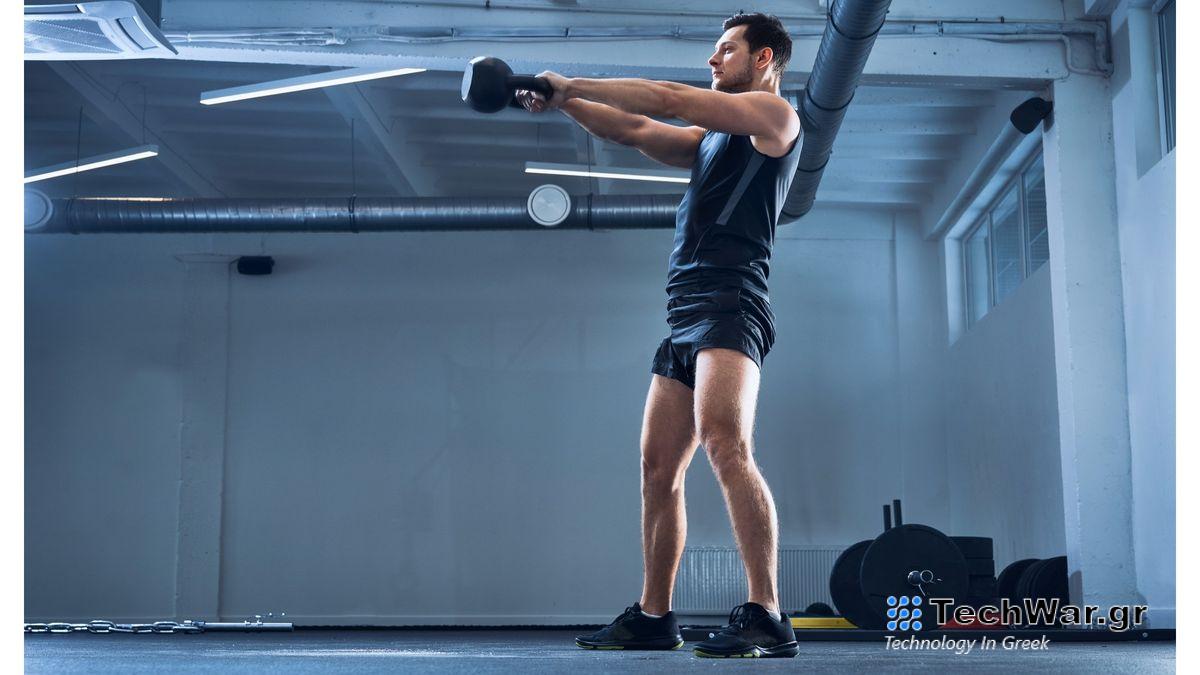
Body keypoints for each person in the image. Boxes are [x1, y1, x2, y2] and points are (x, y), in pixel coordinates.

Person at [517, 12, 802, 659]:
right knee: (655, 468)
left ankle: (767, 612)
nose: (712, 59)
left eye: (725, 49)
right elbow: (638, 128)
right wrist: (568, 106)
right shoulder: (709, 139)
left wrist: (570, 83)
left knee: (726, 445)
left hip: (733, 304)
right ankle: (653, 615)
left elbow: (667, 97)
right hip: (684, 312)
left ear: (763, 60)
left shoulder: (776, 121)